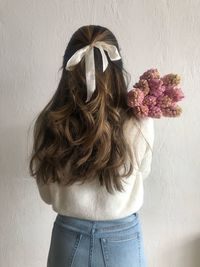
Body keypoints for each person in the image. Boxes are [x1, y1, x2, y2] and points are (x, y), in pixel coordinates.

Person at [29, 25, 154, 267]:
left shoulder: (48, 123)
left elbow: (46, 195)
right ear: (117, 70)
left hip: (67, 241)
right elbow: (142, 174)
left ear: (67, 70)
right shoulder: (139, 122)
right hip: (123, 241)